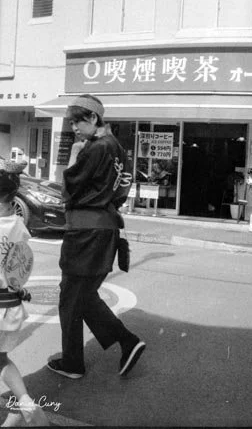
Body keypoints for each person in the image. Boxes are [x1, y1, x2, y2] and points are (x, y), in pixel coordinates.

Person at [48, 94, 145, 379]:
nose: (74, 128)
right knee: (84, 296)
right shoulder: (117, 148)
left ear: (93, 118)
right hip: (106, 228)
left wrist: (74, 155)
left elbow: (69, 188)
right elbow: (122, 190)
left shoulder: (94, 148)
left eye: (77, 122)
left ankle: (78, 361)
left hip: (85, 231)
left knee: (71, 296)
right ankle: (123, 343)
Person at [0, 158, 49, 425]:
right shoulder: (19, 226)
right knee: (1, 358)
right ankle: (26, 404)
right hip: (9, 306)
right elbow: (20, 267)